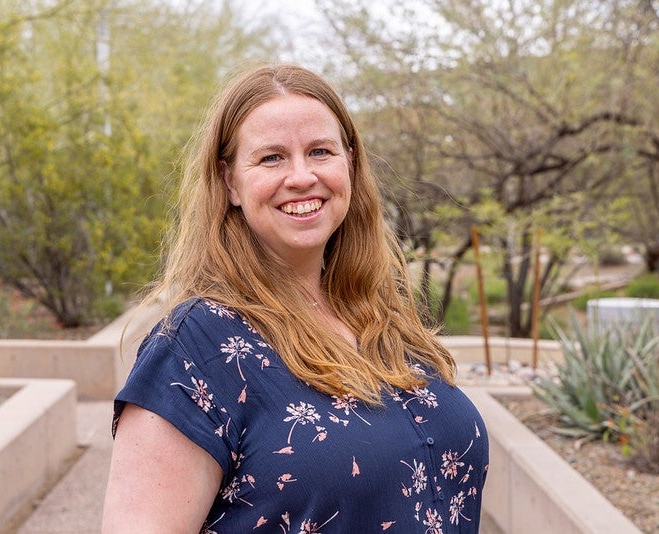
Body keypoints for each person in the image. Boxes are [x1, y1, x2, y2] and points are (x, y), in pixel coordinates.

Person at [102, 63, 488, 533]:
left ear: (350, 162)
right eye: (271, 158)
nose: (302, 176)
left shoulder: (382, 318)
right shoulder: (194, 351)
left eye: (320, 151)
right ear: (229, 182)